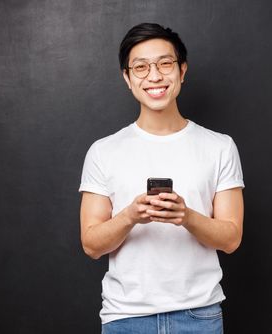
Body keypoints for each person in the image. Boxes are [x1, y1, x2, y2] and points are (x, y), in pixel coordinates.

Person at [78, 22, 245, 334]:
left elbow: (231, 238)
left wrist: (185, 216)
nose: (154, 76)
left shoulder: (220, 146)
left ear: (182, 71)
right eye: (140, 67)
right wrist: (130, 216)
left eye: (165, 63)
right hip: (125, 318)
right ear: (127, 78)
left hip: (199, 317)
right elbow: (91, 244)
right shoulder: (104, 151)